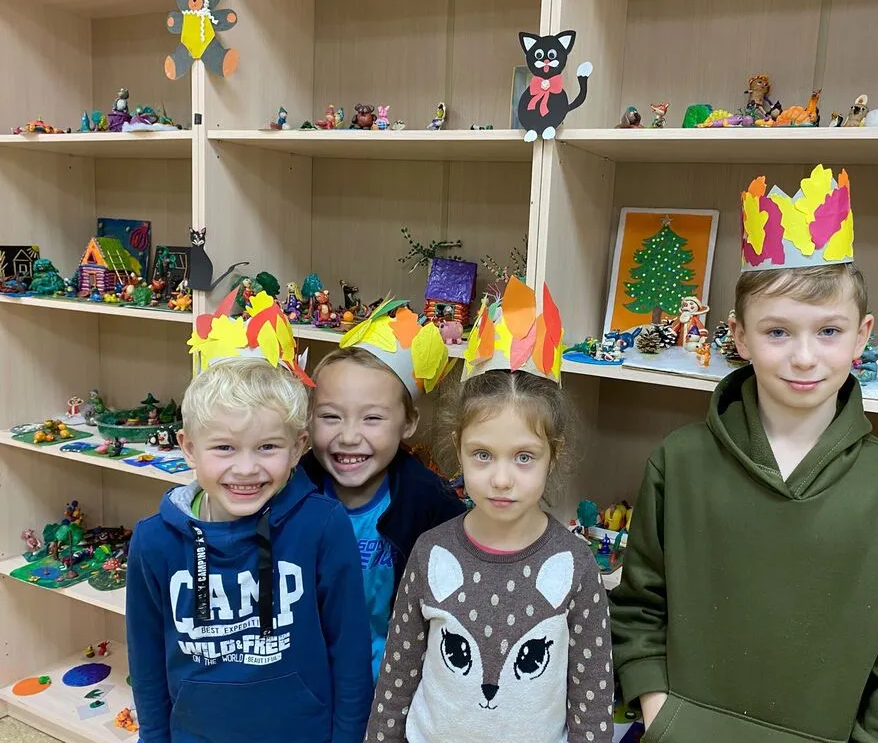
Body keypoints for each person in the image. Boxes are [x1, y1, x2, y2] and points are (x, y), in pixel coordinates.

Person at [610, 165, 878, 742]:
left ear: (862, 335)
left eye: (829, 331)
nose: (804, 357)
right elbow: (638, 609)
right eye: (777, 332)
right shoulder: (679, 463)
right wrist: (663, 715)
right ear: (739, 335)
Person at [365, 280, 614, 743]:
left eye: (524, 457)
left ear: (553, 456)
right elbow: (397, 679)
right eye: (482, 455)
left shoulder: (576, 565)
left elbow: (592, 699)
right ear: (458, 448)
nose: (501, 479)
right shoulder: (430, 551)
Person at [127, 291, 373, 743]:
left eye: (267, 447)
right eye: (224, 447)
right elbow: (145, 664)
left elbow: (351, 652)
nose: (245, 469)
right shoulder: (153, 542)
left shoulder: (322, 526)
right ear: (189, 448)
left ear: (297, 448)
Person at [301, 300, 466, 680]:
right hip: (308, 683)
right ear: (309, 418)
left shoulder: (430, 505)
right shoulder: (292, 492)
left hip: (392, 687)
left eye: (372, 418)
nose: (348, 436)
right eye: (330, 416)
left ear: (408, 422)